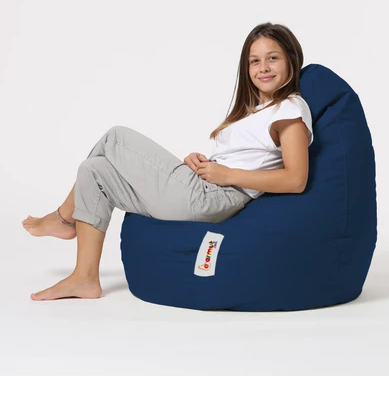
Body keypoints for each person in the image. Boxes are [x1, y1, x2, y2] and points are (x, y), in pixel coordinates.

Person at [22, 22, 313, 301]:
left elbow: (296, 179)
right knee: (93, 171)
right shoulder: (257, 110)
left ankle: (63, 218)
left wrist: (228, 175)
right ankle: (84, 277)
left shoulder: (289, 109)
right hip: (206, 187)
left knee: (115, 138)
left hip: (217, 197)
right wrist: (203, 163)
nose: (263, 68)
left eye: (273, 58)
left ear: (291, 59)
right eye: (254, 61)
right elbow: (246, 157)